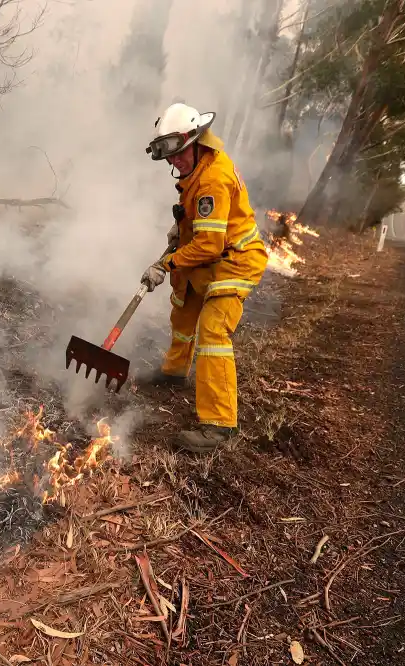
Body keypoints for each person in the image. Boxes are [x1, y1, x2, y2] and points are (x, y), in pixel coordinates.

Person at [138, 103, 269, 453]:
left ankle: (219, 425)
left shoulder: (213, 178)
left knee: (212, 330)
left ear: (198, 141)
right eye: (170, 156)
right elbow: (201, 222)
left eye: (179, 154)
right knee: (183, 304)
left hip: (235, 260)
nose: (174, 162)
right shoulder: (199, 167)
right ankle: (175, 372)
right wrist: (178, 230)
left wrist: (166, 264)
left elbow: (210, 244)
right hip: (212, 256)